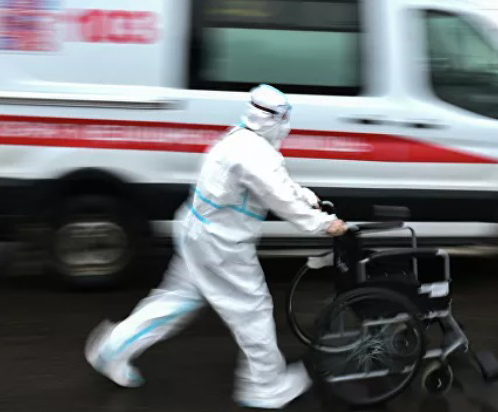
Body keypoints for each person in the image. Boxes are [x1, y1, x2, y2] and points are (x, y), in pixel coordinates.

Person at [85, 84, 347, 409]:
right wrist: (323, 224)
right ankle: (265, 386)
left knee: (177, 299)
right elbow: (279, 196)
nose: (287, 126)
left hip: (197, 230)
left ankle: (113, 348)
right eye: (284, 118)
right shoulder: (256, 155)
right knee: (251, 310)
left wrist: (308, 198)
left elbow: (277, 185)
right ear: (275, 119)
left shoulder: (240, 138)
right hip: (220, 245)